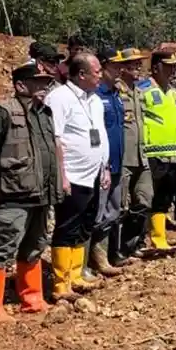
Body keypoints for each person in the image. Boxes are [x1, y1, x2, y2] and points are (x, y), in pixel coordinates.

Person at [0, 60, 60, 321]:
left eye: (46, 83)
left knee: (35, 245)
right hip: (13, 194)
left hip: (41, 194)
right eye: (38, 82)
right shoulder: (4, 112)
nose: (44, 87)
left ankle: (32, 298)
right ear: (21, 85)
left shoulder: (45, 112)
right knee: (3, 247)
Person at [45, 52, 110, 302]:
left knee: (84, 224)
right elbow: (56, 139)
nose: (101, 75)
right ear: (81, 74)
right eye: (97, 72)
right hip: (72, 175)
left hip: (94, 173)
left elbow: (99, 135)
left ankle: (75, 275)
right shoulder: (60, 98)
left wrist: (104, 167)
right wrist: (62, 175)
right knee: (67, 226)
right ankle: (61, 283)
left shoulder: (94, 99)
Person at [88, 47, 126, 280]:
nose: (120, 70)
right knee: (97, 213)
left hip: (117, 162)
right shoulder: (96, 96)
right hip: (101, 166)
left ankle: (107, 255)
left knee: (114, 211)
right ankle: (93, 257)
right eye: (115, 65)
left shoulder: (115, 94)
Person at [111, 48, 151, 263]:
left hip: (141, 156)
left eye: (139, 64)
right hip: (124, 158)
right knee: (120, 207)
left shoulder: (138, 91)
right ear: (123, 67)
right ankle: (115, 252)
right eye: (134, 64)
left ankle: (131, 244)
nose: (138, 67)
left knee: (144, 200)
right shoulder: (116, 91)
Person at [142, 51, 176, 250]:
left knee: (164, 199)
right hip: (151, 153)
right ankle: (141, 238)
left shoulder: (175, 93)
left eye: (174, 66)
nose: (172, 70)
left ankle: (159, 239)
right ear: (156, 67)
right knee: (146, 198)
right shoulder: (143, 90)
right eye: (168, 66)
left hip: (172, 154)